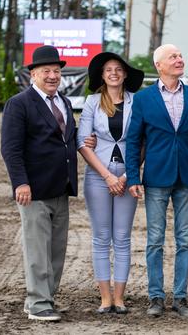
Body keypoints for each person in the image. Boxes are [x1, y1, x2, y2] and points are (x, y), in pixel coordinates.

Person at [125, 44, 188, 318]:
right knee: (155, 240)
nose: (179, 59)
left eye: (180, 55)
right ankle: (155, 297)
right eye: (173, 57)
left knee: (185, 240)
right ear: (159, 66)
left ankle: (180, 297)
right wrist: (133, 176)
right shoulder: (143, 100)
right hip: (155, 178)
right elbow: (133, 142)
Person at [0, 45, 78, 322]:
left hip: (61, 186)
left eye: (57, 71)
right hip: (33, 189)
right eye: (46, 71)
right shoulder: (19, 104)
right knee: (37, 249)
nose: (52, 76)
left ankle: (47, 298)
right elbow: (11, 148)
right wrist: (20, 183)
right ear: (33, 74)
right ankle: (37, 302)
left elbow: (66, 139)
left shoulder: (64, 103)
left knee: (56, 249)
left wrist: (83, 141)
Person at [77, 52, 145, 314]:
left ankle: (120, 297)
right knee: (101, 237)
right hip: (99, 175)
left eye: (118, 69)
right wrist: (107, 176)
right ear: (102, 76)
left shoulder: (136, 102)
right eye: (108, 70)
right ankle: (105, 298)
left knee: (122, 238)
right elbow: (83, 142)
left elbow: (143, 142)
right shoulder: (93, 102)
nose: (113, 73)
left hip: (128, 176)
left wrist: (127, 176)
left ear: (125, 74)